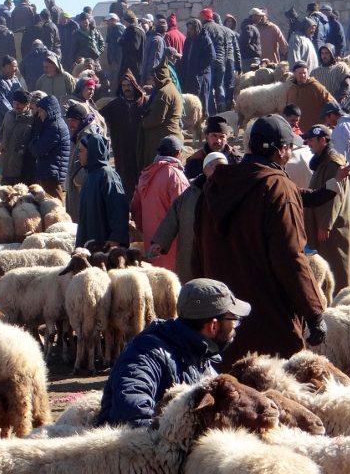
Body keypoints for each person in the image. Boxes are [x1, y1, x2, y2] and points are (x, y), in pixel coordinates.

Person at [192, 114, 327, 369]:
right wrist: (314, 312)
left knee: (233, 398)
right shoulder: (278, 188)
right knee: (276, 398)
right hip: (269, 321)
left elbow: (197, 255)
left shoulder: (213, 188)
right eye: (288, 148)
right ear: (280, 150)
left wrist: (202, 313)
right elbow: (290, 257)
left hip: (224, 324)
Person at [95, 278, 249, 427]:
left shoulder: (200, 355)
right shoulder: (146, 353)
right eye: (234, 320)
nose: (235, 327)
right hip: (136, 450)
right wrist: (177, 442)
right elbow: (130, 415)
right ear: (213, 326)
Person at [151, 153, 227, 283]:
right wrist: (160, 242)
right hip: (190, 251)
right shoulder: (190, 193)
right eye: (215, 167)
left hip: (219, 254)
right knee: (192, 286)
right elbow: (172, 217)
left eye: (223, 168)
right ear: (205, 169)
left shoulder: (230, 192)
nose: (220, 171)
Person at [301, 125, 350, 290]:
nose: (307, 143)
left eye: (311, 140)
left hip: (330, 229)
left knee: (335, 264)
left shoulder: (333, 163)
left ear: (323, 140)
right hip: (318, 224)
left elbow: (334, 196)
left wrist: (325, 225)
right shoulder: (322, 161)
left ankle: (340, 299)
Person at [131, 136, 189, 270]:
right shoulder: (176, 176)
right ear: (178, 153)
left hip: (150, 244)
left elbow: (135, 209)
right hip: (170, 247)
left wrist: (142, 229)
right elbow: (183, 214)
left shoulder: (145, 175)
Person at [73, 130, 128, 249]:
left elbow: (118, 208)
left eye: (81, 151)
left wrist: (115, 238)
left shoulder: (107, 176)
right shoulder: (89, 176)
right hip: (90, 243)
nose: (78, 155)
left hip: (105, 245)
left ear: (92, 152)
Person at [101, 71, 145, 200]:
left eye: (129, 85)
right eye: (124, 85)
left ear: (134, 85)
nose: (126, 88)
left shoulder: (143, 102)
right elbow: (99, 116)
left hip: (139, 148)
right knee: (124, 179)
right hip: (122, 149)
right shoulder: (115, 105)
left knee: (140, 177)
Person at [139, 61, 183, 167]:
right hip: (172, 136)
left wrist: (142, 123)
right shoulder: (171, 88)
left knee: (159, 169)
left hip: (163, 138)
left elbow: (157, 118)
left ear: (159, 77)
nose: (152, 81)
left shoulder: (164, 93)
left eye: (154, 78)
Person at [0, 90, 34, 185]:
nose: (16, 106)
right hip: (5, 165)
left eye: (20, 104)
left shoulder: (32, 120)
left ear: (28, 104)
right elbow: (2, 132)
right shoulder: (8, 115)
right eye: (15, 103)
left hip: (21, 168)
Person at [286, 62, 334, 133]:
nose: (303, 75)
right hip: (296, 132)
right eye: (300, 73)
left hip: (315, 132)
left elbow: (332, 103)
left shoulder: (315, 86)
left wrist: (328, 122)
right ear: (295, 74)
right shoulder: (291, 90)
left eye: (305, 73)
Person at [0, 56, 22, 133]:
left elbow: (22, 95)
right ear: (4, 67)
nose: (16, 69)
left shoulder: (15, 80)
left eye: (16, 67)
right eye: (13, 67)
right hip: (5, 122)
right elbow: (2, 103)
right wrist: (14, 114)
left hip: (17, 120)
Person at [118, 12, 145, 84]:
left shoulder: (133, 30)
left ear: (127, 21)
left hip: (132, 65)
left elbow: (134, 47)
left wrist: (121, 41)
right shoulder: (139, 30)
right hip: (136, 64)